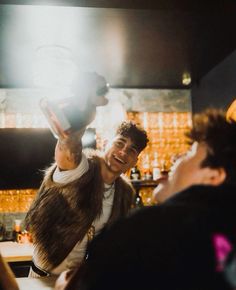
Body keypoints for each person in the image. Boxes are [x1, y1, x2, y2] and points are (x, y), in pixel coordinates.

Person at [60, 108, 236, 290]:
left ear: (214, 176)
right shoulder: (224, 231)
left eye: (190, 153)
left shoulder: (150, 229)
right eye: (119, 144)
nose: (176, 158)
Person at [25, 75, 149, 278]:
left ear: (135, 160)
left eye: (132, 150)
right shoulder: (82, 169)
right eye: (119, 143)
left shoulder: (124, 193)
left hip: (77, 281)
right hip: (43, 278)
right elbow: (69, 148)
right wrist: (79, 122)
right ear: (106, 143)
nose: (123, 153)